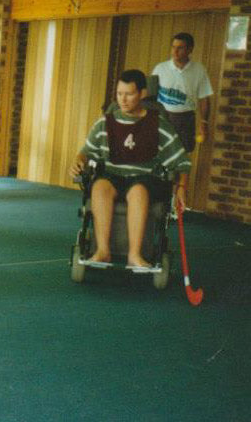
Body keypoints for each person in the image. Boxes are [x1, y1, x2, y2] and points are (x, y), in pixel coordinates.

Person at [69, 69, 191, 269]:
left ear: (142, 94)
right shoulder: (104, 123)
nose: (123, 100)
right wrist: (78, 161)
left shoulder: (158, 124)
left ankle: (134, 255)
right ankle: (102, 251)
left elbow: (181, 161)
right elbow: (86, 152)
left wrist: (182, 187)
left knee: (138, 192)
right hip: (112, 175)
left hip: (145, 177)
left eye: (129, 94)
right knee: (99, 188)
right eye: (119, 94)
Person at [151, 32, 214, 153]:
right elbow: (150, 96)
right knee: (159, 153)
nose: (175, 51)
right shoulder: (160, 68)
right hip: (162, 117)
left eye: (180, 48)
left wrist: (204, 122)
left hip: (186, 119)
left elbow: (204, 98)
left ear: (190, 49)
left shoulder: (199, 70)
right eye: (173, 47)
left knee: (183, 156)